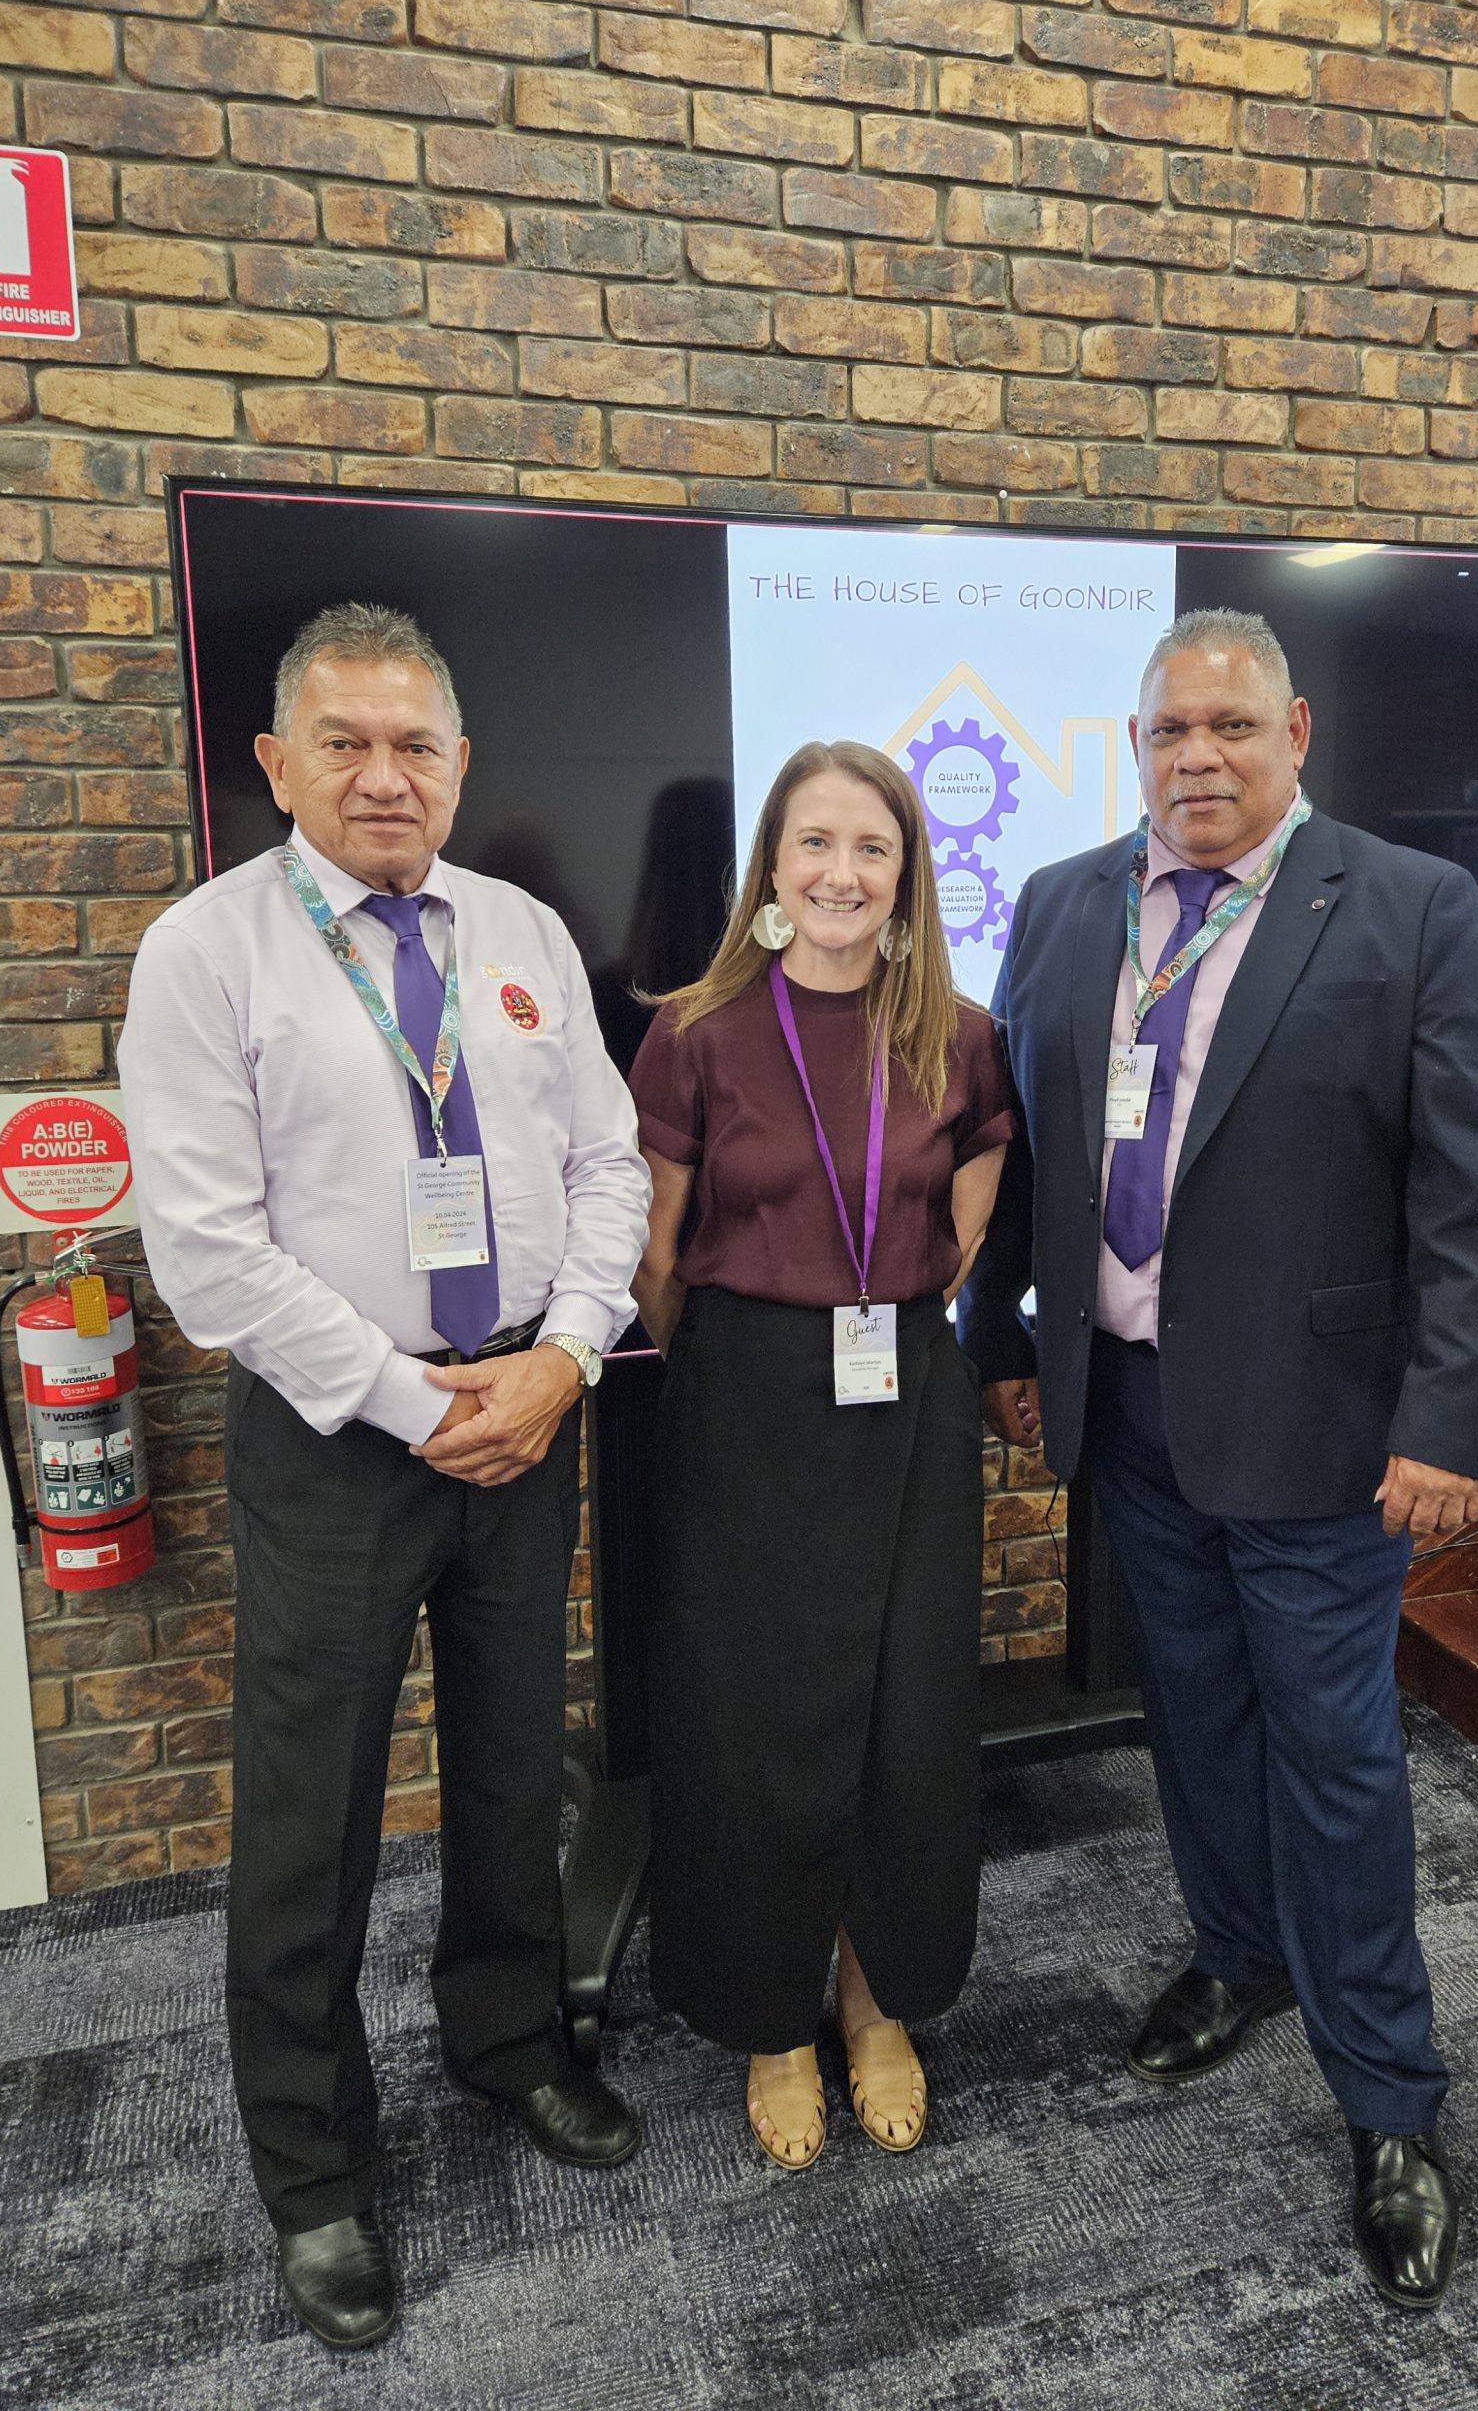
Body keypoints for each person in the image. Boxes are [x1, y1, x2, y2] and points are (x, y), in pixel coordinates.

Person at [958, 608, 1478, 2311]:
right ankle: (1238, 1960)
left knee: (1339, 1764)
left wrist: (1449, 1424)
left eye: (1229, 726)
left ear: (1296, 732)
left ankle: (1390, 2103)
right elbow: (1032, 1147)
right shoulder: (1068, 905)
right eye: (1166, 732)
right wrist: (1009, 1340)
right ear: (1131, 748)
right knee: (1193, 1721)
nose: (1196, 758)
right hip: (1134, 1414)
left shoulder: (1413, 908)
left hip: (1327, 1439)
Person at [120, 603, 651, 2351]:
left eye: (416, 744)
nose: (383, 774)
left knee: (512, 1763)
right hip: (339, 1435)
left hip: (521, 1403)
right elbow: (206, 1258)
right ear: (276, 764)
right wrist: (413, 1407)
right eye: (343, 742)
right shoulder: (211, 954)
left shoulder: (522, 935)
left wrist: (565, 1357)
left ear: (460, 763)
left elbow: (605, 1161)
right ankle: (315, 2169)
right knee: (310, 1816)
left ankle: (510, 2048)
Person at [629, 740, 1012, 2171]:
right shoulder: (694, 1030)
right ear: (772, 870)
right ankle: (773, 2022)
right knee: (755, 1725)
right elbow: (656, 1259)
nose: (842, 873)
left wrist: (895, 1304)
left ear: (907, 871)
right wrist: (750, 1351)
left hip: (904, 1390)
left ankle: (875, 2002)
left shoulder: (958, 1035)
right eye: (814, 845)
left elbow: (970, 1200)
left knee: (905, 1718)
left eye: (873, 846)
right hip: (743, 1399)